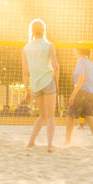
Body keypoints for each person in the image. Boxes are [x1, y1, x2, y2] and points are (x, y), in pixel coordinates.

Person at [22, 19, 59, 152]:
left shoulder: (26, 48)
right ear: (43, 30)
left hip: (35, 85)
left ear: (32, 31)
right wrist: (57, 84)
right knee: (50, 117)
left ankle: (31, 142)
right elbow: (56, 66)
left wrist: (27, 90)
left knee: (42, 116)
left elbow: (25, 71)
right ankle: (49, 146)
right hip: (48, 81)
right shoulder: (49, 45)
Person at [65, 49, 93, 146]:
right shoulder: (90, 62)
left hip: (81, 92)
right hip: (90, 92)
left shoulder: (80, 61)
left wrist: (73, 95)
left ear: (78, 51)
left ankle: (67, 141)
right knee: (89, 117)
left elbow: (81, 80)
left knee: (69, 116)